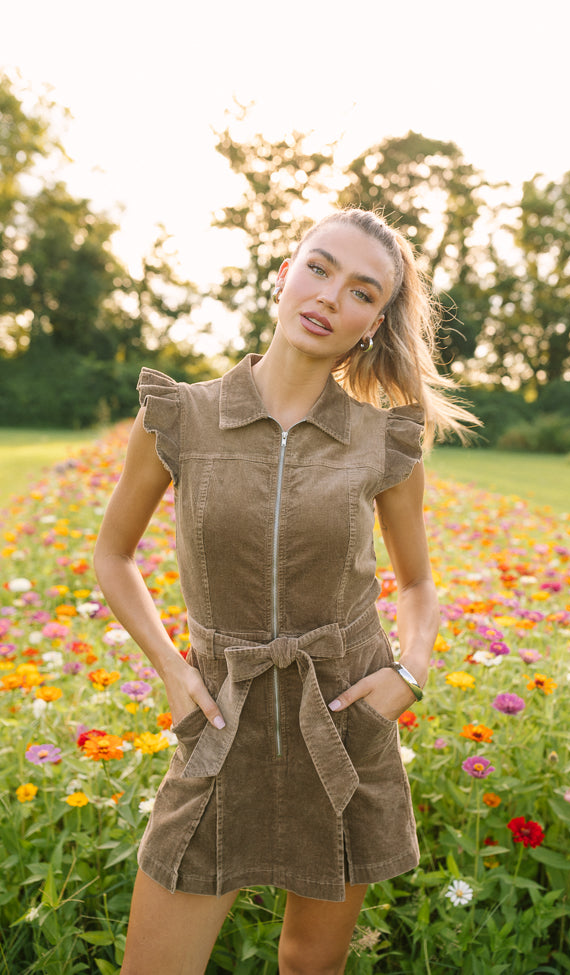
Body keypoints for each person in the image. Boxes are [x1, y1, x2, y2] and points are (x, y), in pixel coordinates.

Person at [94, 207, 475, 975]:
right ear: (283, 273)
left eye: (363, 291)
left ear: (371, 324)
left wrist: (411, 672)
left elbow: (418, 581)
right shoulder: (181, 416)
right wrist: (173, 668)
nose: (332, 295)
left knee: (308, 963)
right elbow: (112, 553)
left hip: (342, 722)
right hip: (219, 721)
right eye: (320, 267)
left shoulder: (384, 440)